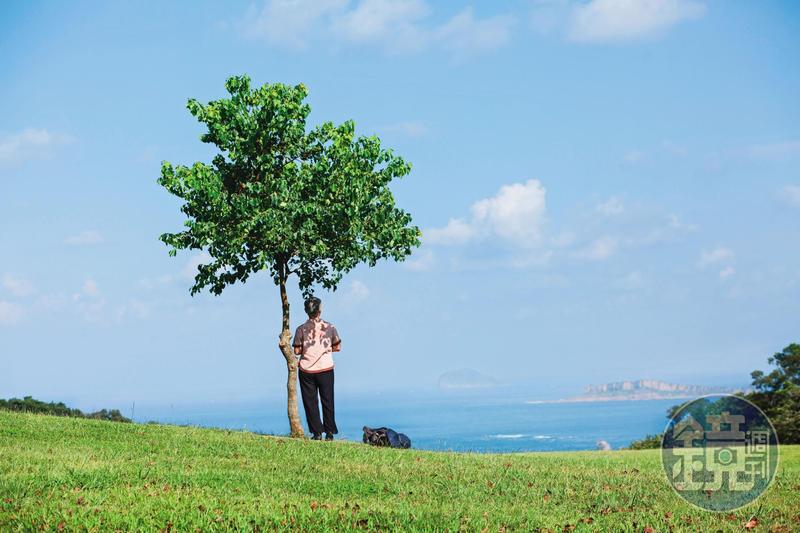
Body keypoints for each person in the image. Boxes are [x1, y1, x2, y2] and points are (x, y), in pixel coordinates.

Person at [292, 296, 341, 441]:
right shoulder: (330, 327)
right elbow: (337, 346)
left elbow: (296, 351)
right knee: (328, 400)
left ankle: (317, 432)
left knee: (310, 402)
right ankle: (330, 432)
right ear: (319, 310)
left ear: (306, 311)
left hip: (306, 370)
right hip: (326, 368)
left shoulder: (300, 329)